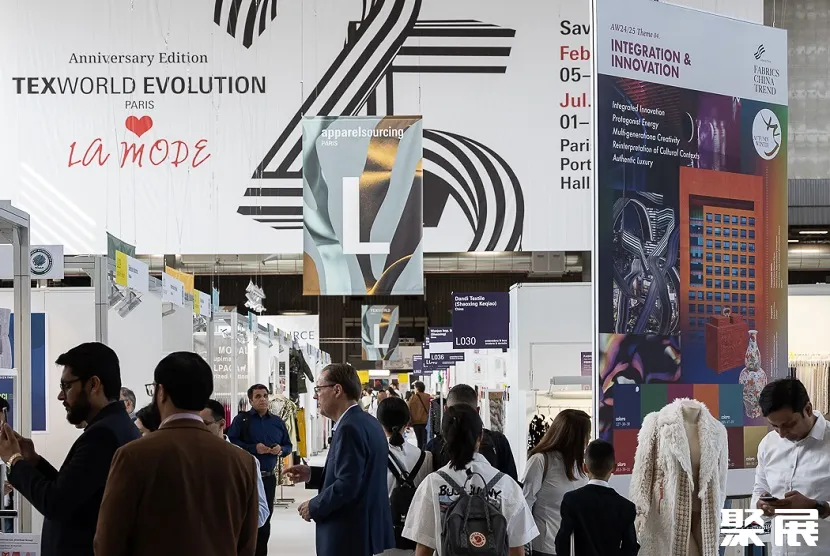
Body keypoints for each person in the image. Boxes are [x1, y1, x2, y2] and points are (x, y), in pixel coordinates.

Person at [94, 352, 259, 556]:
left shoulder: (132, 455)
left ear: (161, 392)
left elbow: (108, 540)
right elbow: (248, 545)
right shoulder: (243, 461)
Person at [0, 342, 140, 556]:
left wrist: (14, 460)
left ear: (93, 384)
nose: (60, 396)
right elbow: (73, 492)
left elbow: (56, 503)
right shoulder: (116, 427)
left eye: (67, 386)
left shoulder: (102, 435)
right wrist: (34, 461)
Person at [284, 363, 395, 556]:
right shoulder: (368, 422)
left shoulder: (349, 428)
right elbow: (357, 472)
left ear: (337, 390)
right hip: (363, 530)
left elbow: (348, 485)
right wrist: (312, 474)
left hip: (348, 533)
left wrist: (314, 506)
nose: (315, 396)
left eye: (319, 389)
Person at [402, 404, 538, 555]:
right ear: (480, 436)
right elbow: (517, 549)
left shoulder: (432, 483)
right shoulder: (507, 485)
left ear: (445, 437)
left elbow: (424, 549)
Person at [753, 378, 830, 555]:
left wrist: (815, 507)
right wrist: (761, 505)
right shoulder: (768, 444)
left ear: (807, 409)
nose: (782, 434)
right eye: (775, 426)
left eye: (789, 424)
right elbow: (760, 489)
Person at [226, 383, 293, 556]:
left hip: (268, 478)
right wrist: (254, 448)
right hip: (247, 477)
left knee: (265, 520)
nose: (263, 399)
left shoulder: (277, 422)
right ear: (250, 400)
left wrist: (281, 450)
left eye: (265, 395)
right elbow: (231, 443)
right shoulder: (241, 420)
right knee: (244, 518)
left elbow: (288, 445)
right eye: (258, 396)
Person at [522, 409, 591, 556]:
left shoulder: (579, 465)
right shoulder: (540, 460)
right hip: (545, 547)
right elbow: (525, 504)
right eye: (586, 435)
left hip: (575, 547)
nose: (588, 439)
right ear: (574, 437)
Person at [554, 439, 638, 556]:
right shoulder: (626, 507)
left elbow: (562, 541)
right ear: (614, 467)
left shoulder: (572, 500)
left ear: (585, 468)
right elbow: (630, 548)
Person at [426, 383, 518, 481]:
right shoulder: (498, 442)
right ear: (477, 411)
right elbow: (511, 482)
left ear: (446, 410)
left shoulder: (434, 446)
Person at [201, 399, 270, 528]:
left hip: (230, 536)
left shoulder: (245, 461)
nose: (199, 430)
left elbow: (261, 512)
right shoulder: (188, 460)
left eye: (205, 424)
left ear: (222, 424)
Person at [377, 397, 433, 556]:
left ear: (379, 422)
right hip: (414, 539)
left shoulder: (373, 455)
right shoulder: (425, 457)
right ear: (407, 422)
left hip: (382, 536)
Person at [407, 381, 430, 449]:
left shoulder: (412, 398)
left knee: (419, 440)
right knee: (425, 439)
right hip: (426, 421)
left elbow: (408, 409)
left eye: (414, 387)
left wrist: (408, 422)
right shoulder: (428, 396)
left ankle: (420, 452)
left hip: (416, 422)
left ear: (417, 388)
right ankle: (425, 451)